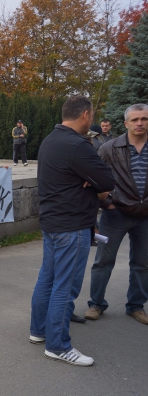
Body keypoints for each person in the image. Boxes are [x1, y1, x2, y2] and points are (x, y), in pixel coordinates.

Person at [29, 95, 115, 367]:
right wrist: (89, 179)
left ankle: (38, 331)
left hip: (53, 223)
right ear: (86, 115)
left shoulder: (51, 139)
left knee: (48, 279)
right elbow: (106, 180)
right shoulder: (77, 145)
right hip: (72, 225)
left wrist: (88, 179)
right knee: (64, 288)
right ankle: (58, 346)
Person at [85, 104, 148, 325]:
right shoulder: (110, 148)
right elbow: (93, 179)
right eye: (135, 119)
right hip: (116, 214)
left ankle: (136, 306)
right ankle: (96, 304)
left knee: (142, 264)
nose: (140, 123)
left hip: (146, 217)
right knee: (103, 261)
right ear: (126, 123)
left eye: (144, 119)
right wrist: (107, 202)